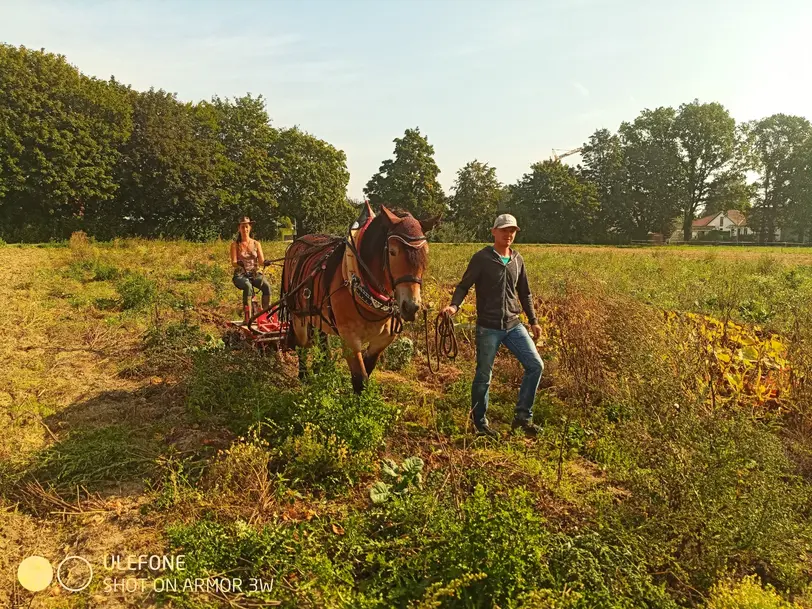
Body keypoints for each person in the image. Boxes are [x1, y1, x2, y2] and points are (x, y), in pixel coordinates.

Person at [441, 214, 544, 438]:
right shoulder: (482, 258)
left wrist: (534, 321)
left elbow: (525, 293)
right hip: (488, 327)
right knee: (483, 376)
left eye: (512, 231)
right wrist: (453, 307)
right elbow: (463, 286)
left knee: (535, 365)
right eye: (504, 230)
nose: (508, 235)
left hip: (514, 325)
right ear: (494, 232)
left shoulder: (517, 259)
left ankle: (522, 417)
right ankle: (480, 423)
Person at [230, 216, 271, 323]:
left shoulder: (256, 244)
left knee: (266, 286)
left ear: (250, 228)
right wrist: (238, 263)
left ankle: (266, 315)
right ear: (239, 228)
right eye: (242, 227)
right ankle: (247, 317)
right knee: (247, 286)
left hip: (254, 273)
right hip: (240, 275)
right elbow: (233, 262)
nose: (245, 229)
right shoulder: (235, 245)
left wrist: (266, 262)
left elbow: (261, 261)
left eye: (246, 227)